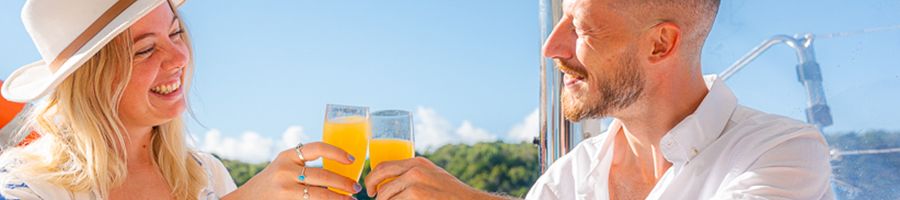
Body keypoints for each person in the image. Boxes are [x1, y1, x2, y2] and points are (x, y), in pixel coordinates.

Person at [363, 0, 834, 199]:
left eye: (581, 27)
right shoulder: (569, 175)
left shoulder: (784, 153)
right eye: (560, 17)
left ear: (659, 45)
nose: (552, 47)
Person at [0, 0, 360, 199]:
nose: (179, 58)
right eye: (144, 50)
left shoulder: (206, 174)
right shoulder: (26, 185)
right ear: (91, 82)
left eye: (175, 32)